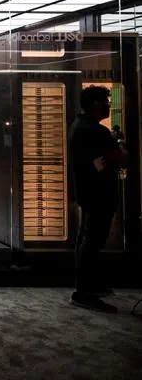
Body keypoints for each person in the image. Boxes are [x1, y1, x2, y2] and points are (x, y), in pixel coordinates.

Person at [68, 85, 126, 313]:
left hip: (88, 191)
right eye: (105, 102)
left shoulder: (78, 126)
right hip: (99, 192)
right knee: (92, 241)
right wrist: (119, 149)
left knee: (86, 238)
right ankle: (84, 291)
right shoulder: (95, 131)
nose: (108, 107)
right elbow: (119, 159)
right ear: (94, 104)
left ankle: (87, 285)